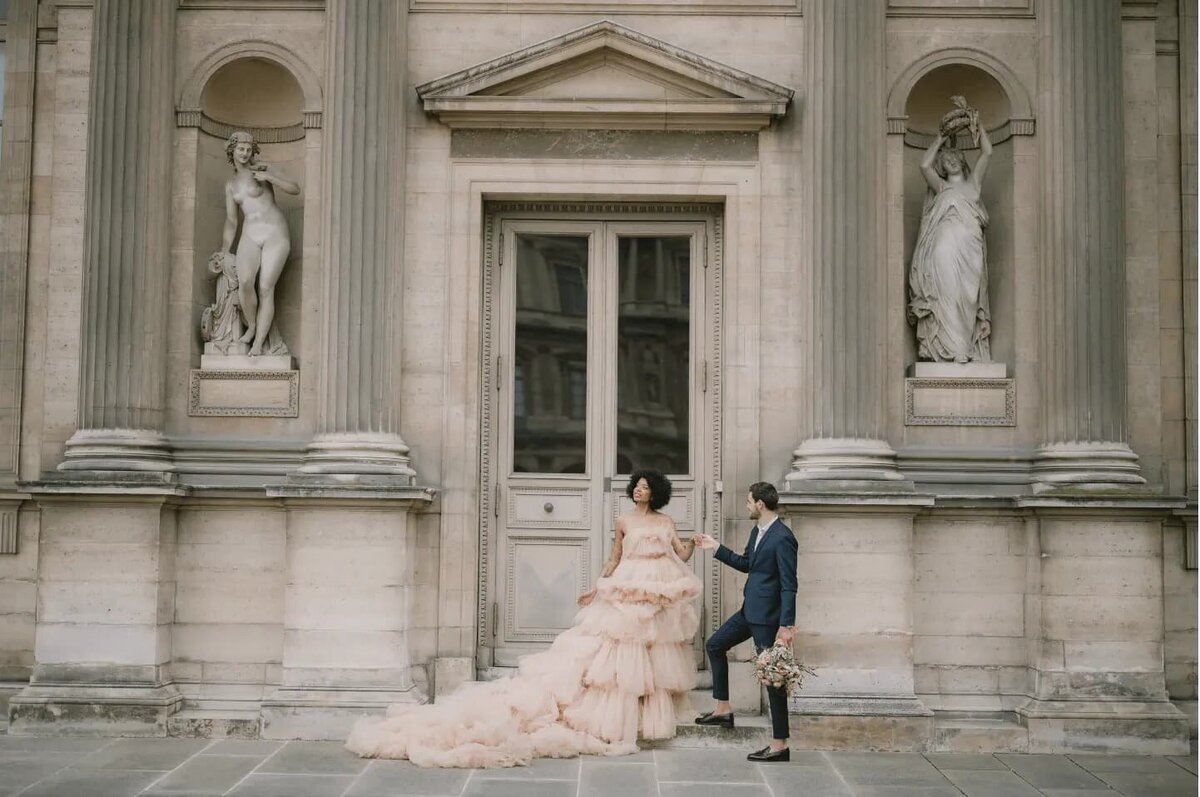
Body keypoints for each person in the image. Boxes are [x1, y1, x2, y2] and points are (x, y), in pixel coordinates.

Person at [346, 468, 702, 768]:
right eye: (636, 485)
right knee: (618, 651)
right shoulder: (623, 521)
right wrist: (597, 587)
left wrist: (695, 544)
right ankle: (617, 716)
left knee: (653, 652)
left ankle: (645, 714)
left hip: (658, 587)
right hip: (626, 585)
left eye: (645, 486)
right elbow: (614, 558)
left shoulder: (666, 521)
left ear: (656, 493)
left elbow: (681, 555)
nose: (639, 489)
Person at [693, 481, 797, 762]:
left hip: (768, 619)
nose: (747, 506)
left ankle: (779, 745)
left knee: (773, 679)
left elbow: (789, 584)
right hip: (748, 612)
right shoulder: (758, 531)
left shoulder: (783, 537)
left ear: (761, 504)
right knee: (714, 645)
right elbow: (747, 564)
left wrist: (786, 626)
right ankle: (723, 708)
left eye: (749, 501)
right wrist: (715, 547)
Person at [907, 127, 993, 363]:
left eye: (955, 158)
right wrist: (939, 139)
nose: (952, 161)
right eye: (946, 160)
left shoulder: (974, 184)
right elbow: (924, 166)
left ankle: (965, 347)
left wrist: (977, 125)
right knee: (946, 293)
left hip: (971, 250)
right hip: (944, 247)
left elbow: (987, 151)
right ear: (942, 167)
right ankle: (951, 349)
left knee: (968, 298)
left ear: (963, 160)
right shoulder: (941, 187)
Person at [222, 130, 300, 356]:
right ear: (233, 151)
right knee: (245, 281)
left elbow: (295, 188)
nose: (245, 153)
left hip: (275, 231)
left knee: (266, 287)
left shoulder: (262, 169)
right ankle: (253, 325)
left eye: (248, 149)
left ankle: (258, 344)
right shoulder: (231, 184)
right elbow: (231, 219)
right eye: (240, 149)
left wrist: (271, 178)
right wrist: (225, 250)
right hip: (250, 232)